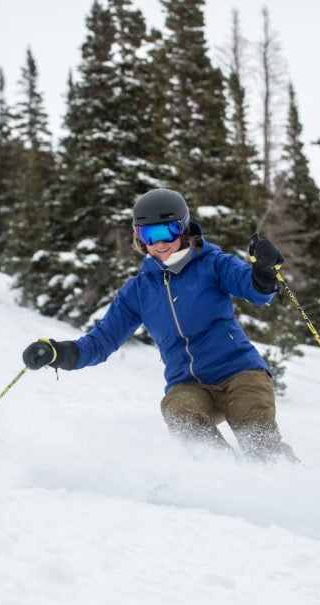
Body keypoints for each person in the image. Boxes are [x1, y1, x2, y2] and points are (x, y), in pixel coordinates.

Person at [22, 188, 296, 462]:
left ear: (184, 228)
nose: (159, 243)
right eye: (149, 235)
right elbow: (101, 341)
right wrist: (58, 353)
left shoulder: (212, 264)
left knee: (257, 436)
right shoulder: (138, 291)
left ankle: (286, 481)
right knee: (178, 410)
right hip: (188, 385)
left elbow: (256, 291)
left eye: (167, 232)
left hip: (240, 373)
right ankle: (223, 474)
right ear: (138, 236)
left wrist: (263, 272)